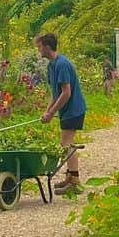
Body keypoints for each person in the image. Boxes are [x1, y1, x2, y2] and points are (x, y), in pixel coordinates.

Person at [35, 33, 86, 192]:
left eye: (39, 46)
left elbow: (66, 93)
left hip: (73, 109)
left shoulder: (61, 64)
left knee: (66, 144)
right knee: (65, 144)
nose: (38, 50)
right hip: (66, 110)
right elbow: (55, 93)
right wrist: (47, 111)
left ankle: (74, 181)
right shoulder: (51, 65)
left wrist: (51, 113)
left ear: (47, 46)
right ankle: (70, 177)